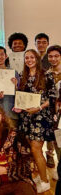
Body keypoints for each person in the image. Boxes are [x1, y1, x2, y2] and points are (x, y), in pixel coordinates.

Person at [15, 49, 56, 193]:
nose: (29, 60)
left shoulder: (46, 75)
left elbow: (52, 98)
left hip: (41, 118)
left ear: (37, 59)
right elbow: (22, 97)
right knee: (31, 150)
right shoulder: (23, 76)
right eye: (27, 58)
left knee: (36, 149)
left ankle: (45, 182)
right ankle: (39, 176)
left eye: (32, 57)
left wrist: (38, 108)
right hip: (26, 118)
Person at [44, 45, 61, 176]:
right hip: (53, 114)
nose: (53, 59)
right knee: (57, 141)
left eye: (56, 56)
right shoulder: (46, 74)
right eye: (50, 56)